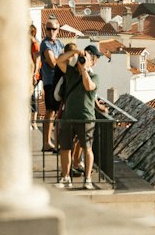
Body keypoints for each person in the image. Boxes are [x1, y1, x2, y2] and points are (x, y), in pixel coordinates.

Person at [56, 43, 106, 190]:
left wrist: (84, 70)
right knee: (65, 148)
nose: (84, 60)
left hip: (86, 118)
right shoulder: (71, 73)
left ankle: (88, 179)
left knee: (87, 148)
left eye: (88, 59)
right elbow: (59, 61)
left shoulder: (94, 76)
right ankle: (65, 177)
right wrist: (76, 52)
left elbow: (89, 87)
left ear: (92, 62)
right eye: (83, 59)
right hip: (68, 116)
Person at [38, 18, 64, 152]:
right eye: (48, 29)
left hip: (59, 80)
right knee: (50, 112)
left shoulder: (59, 43)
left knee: (55, 112)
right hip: (50, 81)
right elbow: (52, 62)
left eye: (54, 29)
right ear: (45, 30)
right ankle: (47, 142)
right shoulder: (45, 44)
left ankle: (52, 142)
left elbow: (61, 59)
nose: (51, 31)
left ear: (58, 30)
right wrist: (62, 59)